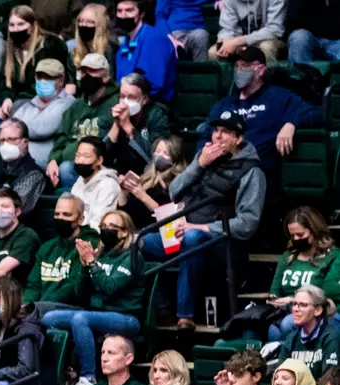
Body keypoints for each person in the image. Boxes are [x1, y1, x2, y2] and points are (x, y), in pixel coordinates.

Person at [141, 112, 265, 331]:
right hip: (181, 230)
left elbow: (247, 223)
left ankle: (184, 316)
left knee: (192, 237)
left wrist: (199, 227)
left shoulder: (251, 171)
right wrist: (199, 164)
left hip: (220, 240)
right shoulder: (204, 156)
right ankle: (162, 307)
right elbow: (174, 192)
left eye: (225, 132)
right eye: (215, 131)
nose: (217, 137)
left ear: (238, 139)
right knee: (137, 244)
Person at [48, 53, 116, 189]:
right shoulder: (75, 107)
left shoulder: (115, 102)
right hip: (73, 163)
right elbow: (62, 138)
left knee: (66, 168)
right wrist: (53, 160)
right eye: (83, 71)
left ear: (105, 76)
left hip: (102, 164)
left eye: (92, 71)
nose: (86, 75)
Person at [8, 58, 74, 167]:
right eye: (39, 77)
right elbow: (9, 127)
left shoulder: (68, 103)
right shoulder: (30, 102)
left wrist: (14, 133)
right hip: (21, 154)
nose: (43, 81)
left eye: (49, 77)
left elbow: (42, 128)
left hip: (45, 160)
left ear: (61, 80)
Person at [110, 0, 176, 102]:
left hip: (152, 104)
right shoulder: (124, 43)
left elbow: (153, 85)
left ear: (141, 14)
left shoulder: (153, 38)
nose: (123, 16)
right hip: (127, 99)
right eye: (119, 11)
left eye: (129, 10)